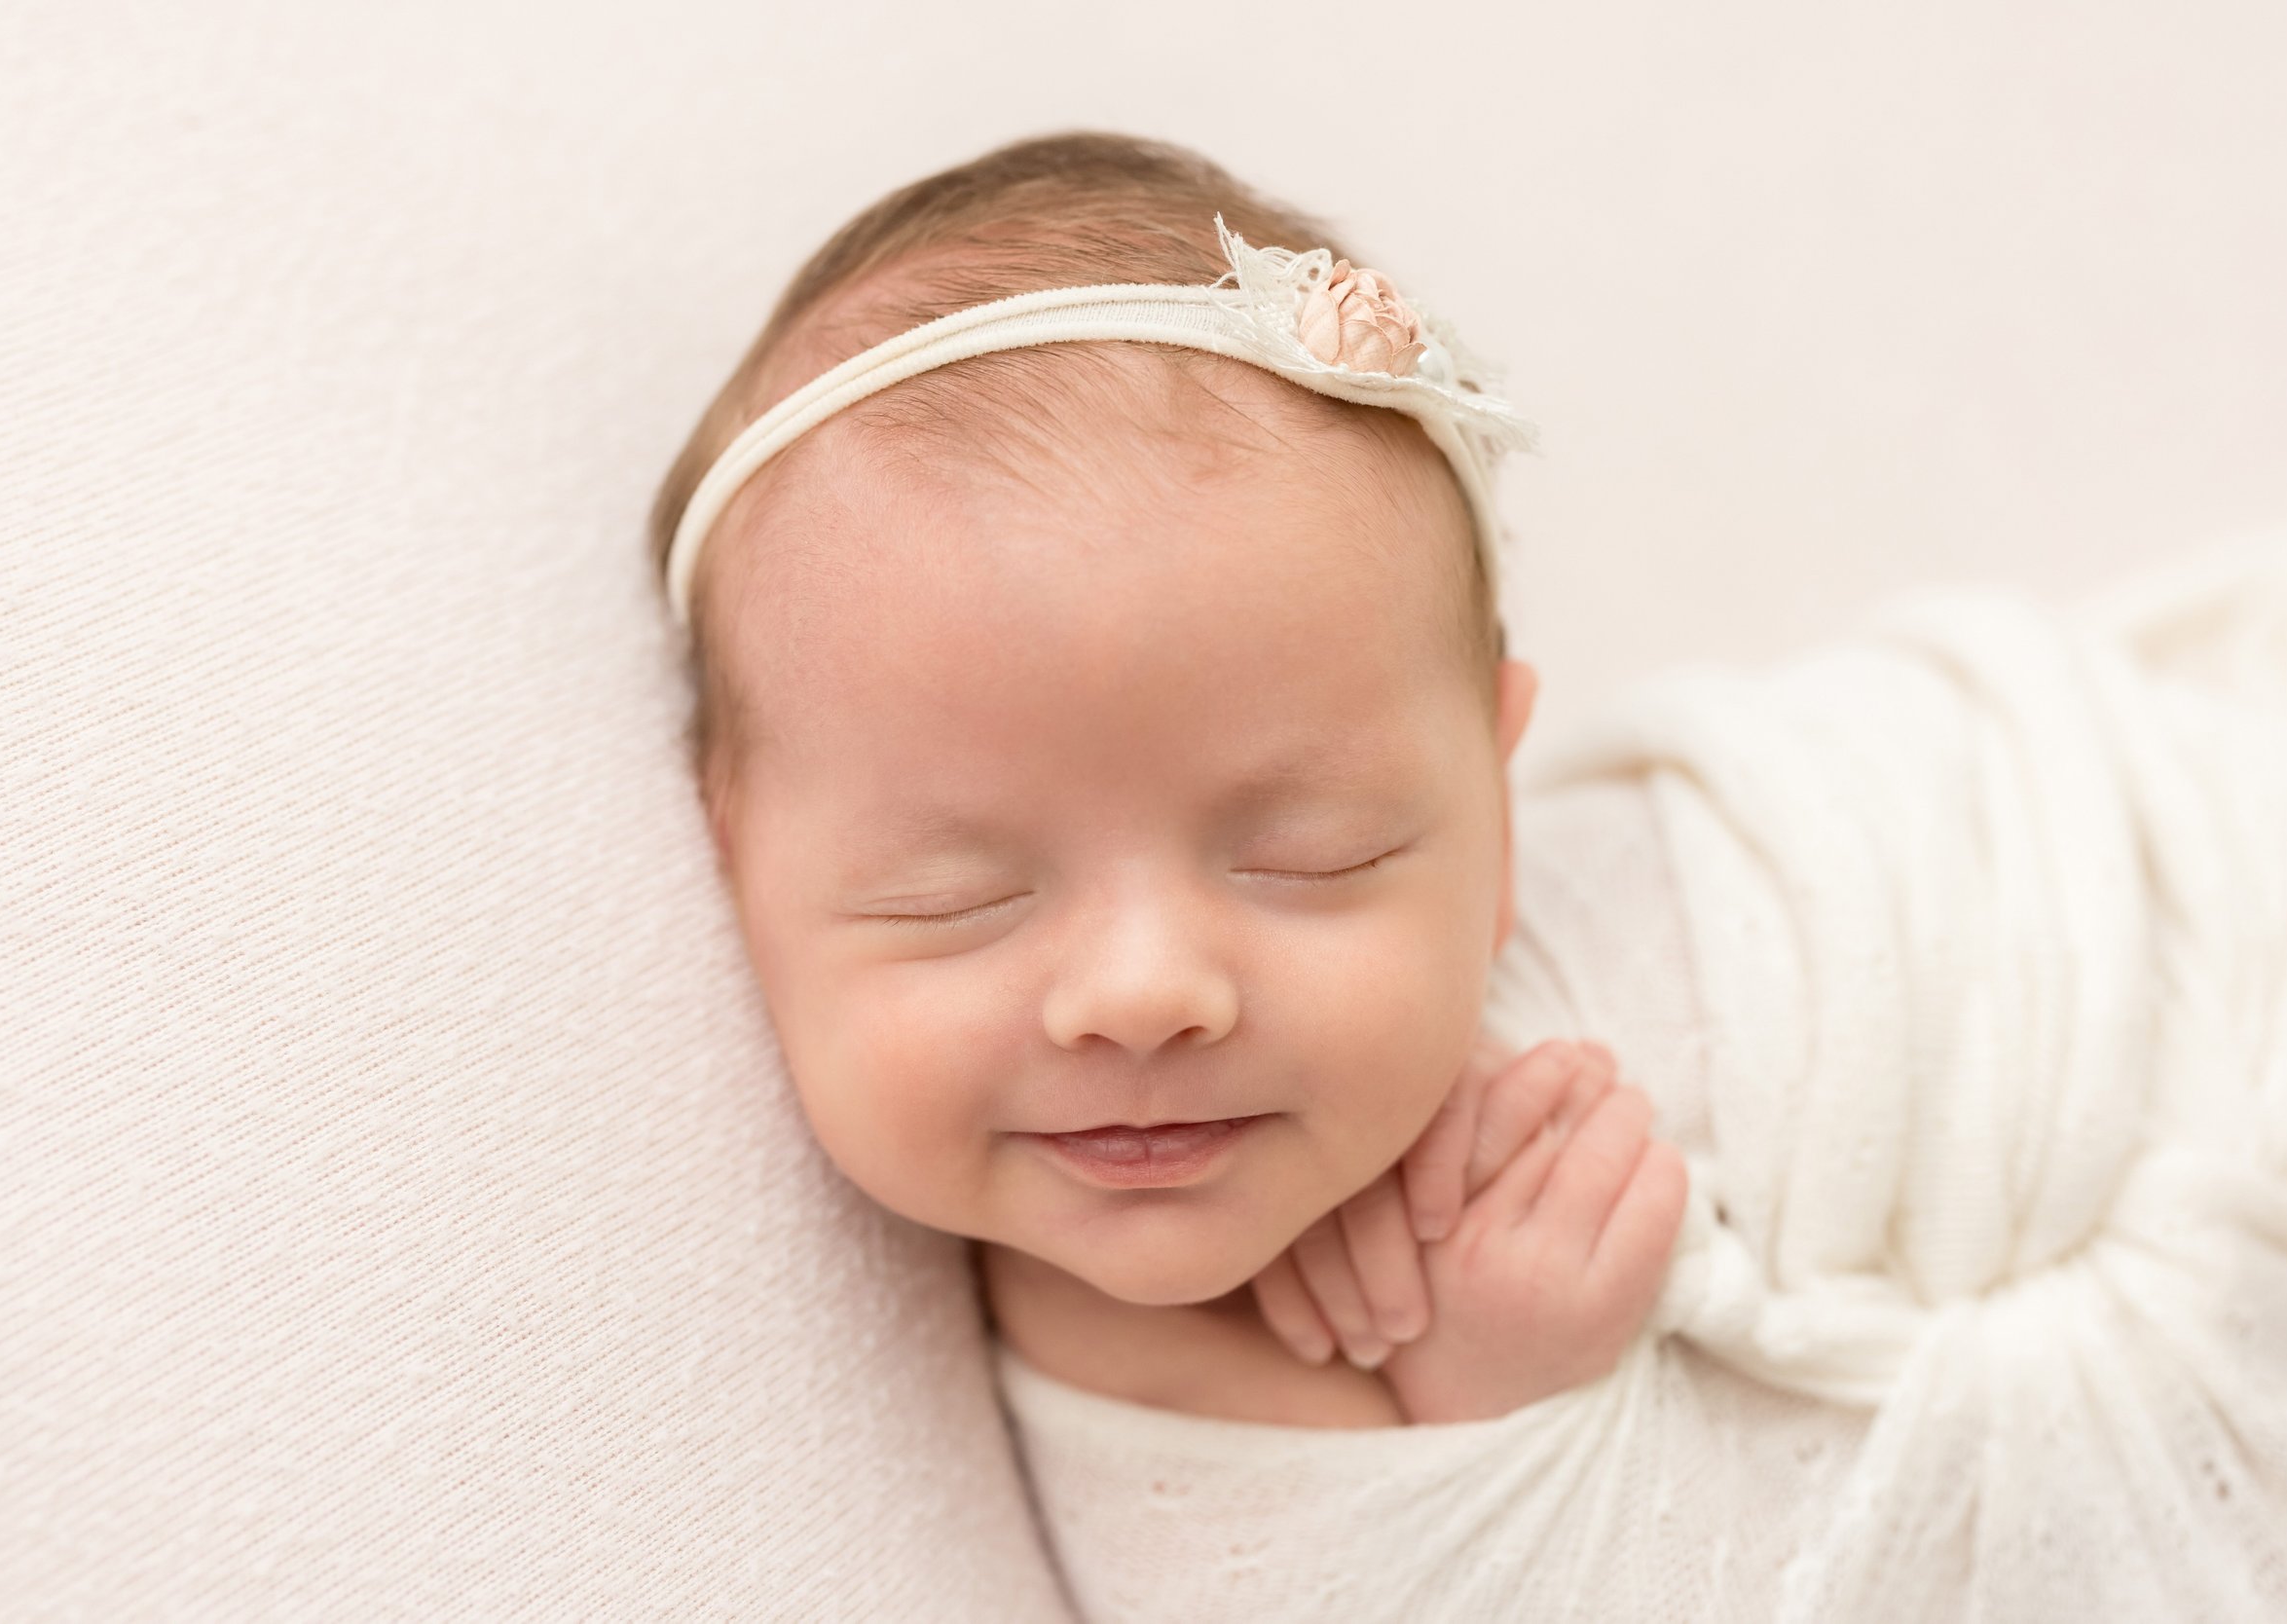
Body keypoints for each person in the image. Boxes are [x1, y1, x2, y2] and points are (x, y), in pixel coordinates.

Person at [648, 129, 1690, 1430]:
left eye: (1318, 855)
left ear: (1497, 806)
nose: (1144, 997)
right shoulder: (1101, 1366)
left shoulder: (1673, 936)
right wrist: (1502, 1391)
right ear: (733, 859)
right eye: (952, 896)